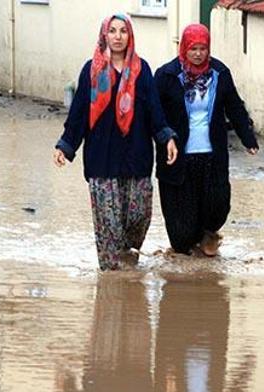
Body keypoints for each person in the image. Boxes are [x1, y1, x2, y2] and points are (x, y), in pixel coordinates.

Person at [53, 14, 178, 271]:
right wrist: (65, 146)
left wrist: (167, 138)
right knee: (108, 223)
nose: (118, 36)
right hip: (102, 159)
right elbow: (79, 113)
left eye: (123, 31)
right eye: (112, 31)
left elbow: (155, 111)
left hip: (137, 157)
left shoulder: (141, 70)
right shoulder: (92, 70)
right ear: (104, 36)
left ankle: (129, 255)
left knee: (139, 215)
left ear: (129, 36)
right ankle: (111, 285)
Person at [154, 24, 258, 257]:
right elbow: (154, 112)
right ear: (184, 48)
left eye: (203, 48)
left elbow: (234, 106)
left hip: (212, 153)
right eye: (193, 48)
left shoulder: (219, 73)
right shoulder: (167, 76)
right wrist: (161, 136)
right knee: (182, 233)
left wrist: (247, 137)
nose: (198, 53)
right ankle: (186, 252)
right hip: (178, 156)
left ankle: (210, 235)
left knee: (218, 204)